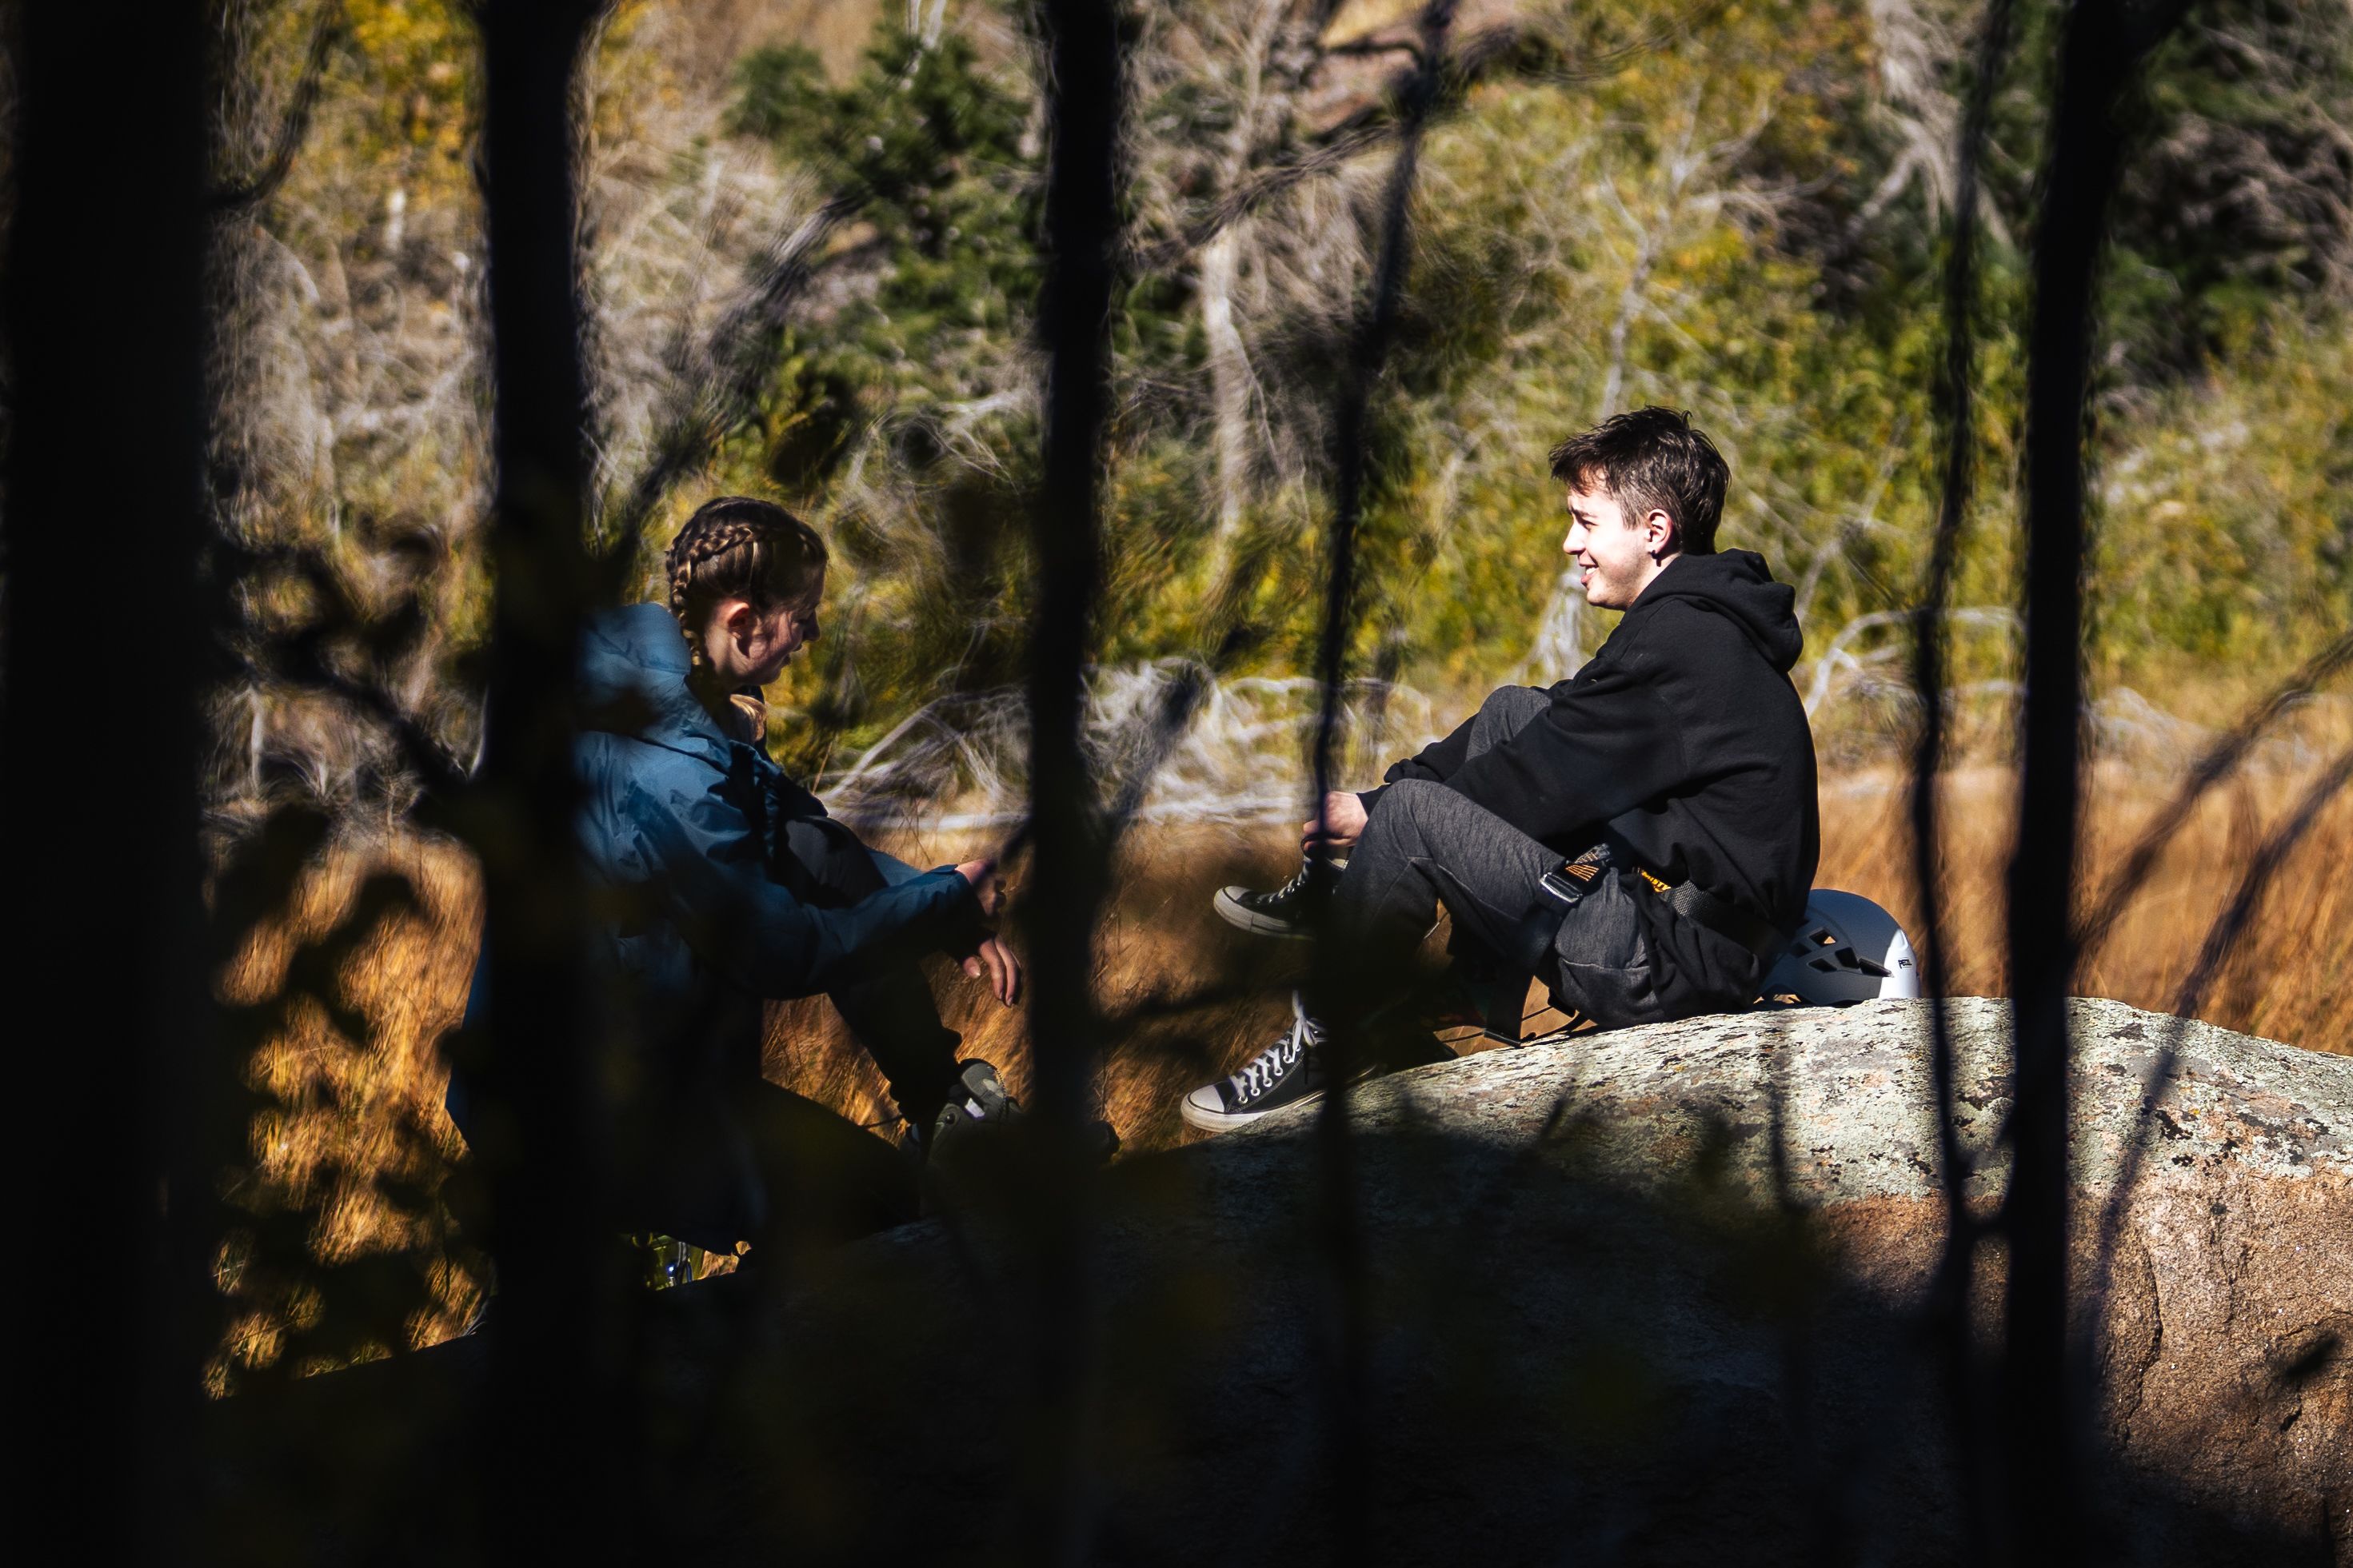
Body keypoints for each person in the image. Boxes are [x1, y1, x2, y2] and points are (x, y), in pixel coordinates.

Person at [1184, 407, 1820, 1132]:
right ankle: (1460, 978)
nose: (1568, 542)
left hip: (1677, 962)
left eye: (1585, 521)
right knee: (1514, 709)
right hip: (1670, 926)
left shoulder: (1686, 642)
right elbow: (1552, 725)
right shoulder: (1693, 622)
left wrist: (1378, 812)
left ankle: (1330, 1040)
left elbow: (1544, 778)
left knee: (1416, 818)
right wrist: (1384, 793)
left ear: (1653, 530)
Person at [447, 496, 1025, 1259]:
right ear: (745, 620)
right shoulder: (671, 770)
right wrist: (940, 900)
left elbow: (810, 846)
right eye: (805, 615)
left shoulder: (654, 672)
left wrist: (942, 901)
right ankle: (557, 1272)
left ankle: (947, 1110)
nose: (812, 635)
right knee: (885, 1211)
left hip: (619, 1082)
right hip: (601, 1115)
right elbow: (780, 950)